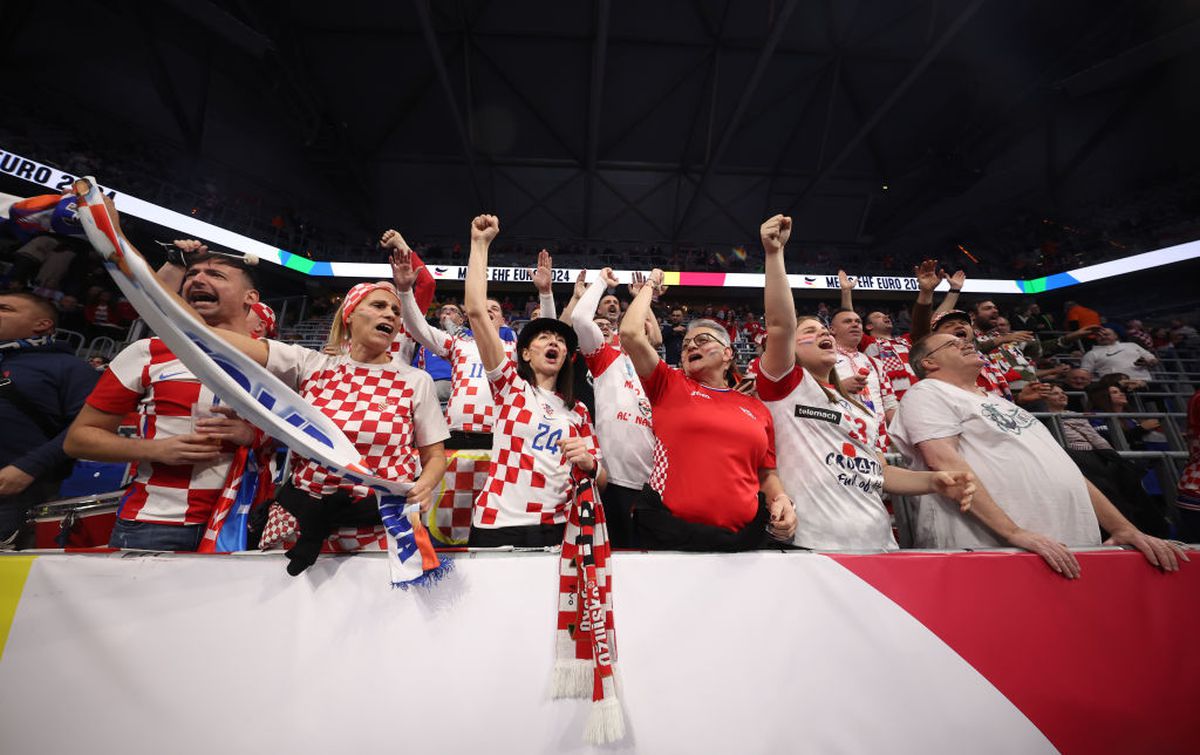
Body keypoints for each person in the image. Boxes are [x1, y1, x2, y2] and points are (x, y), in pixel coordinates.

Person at [890, 332, 1187, 578]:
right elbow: (946, 465)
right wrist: (1013, 532)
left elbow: (1066, 470)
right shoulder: (928, 392)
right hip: (993, 546)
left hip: (1059, 542)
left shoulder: (1001, 402)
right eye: (952, 344)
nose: (966, 343)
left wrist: (1123, 528)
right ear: (929, 362)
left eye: (964, 340)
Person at [756, 216, 973, 551]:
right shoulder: (787, 386)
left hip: (879, 542)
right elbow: (780, 324)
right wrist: (774, 254)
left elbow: (878, 472)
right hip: (815, 542)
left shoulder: (859, 408)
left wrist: (933, 482)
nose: (823, 333)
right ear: (791, 349)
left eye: (824, 330)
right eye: (810, 331)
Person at [65, 247, 274, 552]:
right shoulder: (148, 351)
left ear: (250, 297)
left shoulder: (279, 362)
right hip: (157, 522)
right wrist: (155, 449)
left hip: (249, 521)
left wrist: (253, 436)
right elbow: (78, 440)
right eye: (192, 274)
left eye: (215, 274)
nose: (198, 279)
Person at [620, 265, 797, 551]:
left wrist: (781, 500)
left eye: (702, 341)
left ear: (728, 354)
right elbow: (630, 333)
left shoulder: (757, 409)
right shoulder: (668, 383)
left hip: (744, 542)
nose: (691, 346)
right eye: (686, 344)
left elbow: (767, 474)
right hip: (671, 535)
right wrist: (650, 285)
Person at [459, 215, 602, 547]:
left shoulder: (578, 410)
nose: (554, 342)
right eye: (544, 337)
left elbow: (602, 477)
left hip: (559, 528)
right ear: (524, 353)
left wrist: (590, 463)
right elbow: (476, 310)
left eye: (561, 340)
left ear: (566, 355)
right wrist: (480, 244)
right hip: (498, 525)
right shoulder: (510, 387)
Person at [398, 248, 554, 448]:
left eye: (494, 309)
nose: (488, 311)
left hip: (502, 435)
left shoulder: (515, 349)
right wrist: (405, 292)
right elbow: (418, 328)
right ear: (472, 317)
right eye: (483, 308)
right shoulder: (457, 344)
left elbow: (546, 334)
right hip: (456, 434)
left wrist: (545, 293)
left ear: (503, 320)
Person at [0, 293, 100, 548]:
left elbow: (87, 428)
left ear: (42, 324)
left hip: (14, 493)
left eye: (5, 308)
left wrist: (28, 468)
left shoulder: (69, 367)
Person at [569, 268, 658, 547]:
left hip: (654, 482)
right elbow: (580, 319)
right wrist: (601, 283)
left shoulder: (659, 372)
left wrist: (646, 296)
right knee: (616, 557)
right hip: (616, 480)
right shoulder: (606, 358)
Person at [1080, 328, 1158, 382]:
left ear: (1115, 336)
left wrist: (1148, 362)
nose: (1102, 337)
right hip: (1115, 387)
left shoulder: (1132, 345)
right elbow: (1084, 373)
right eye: (1099, 336)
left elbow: (1153, 359)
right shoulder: (1091, 354)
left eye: (1106, 335)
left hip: (1144, 382)